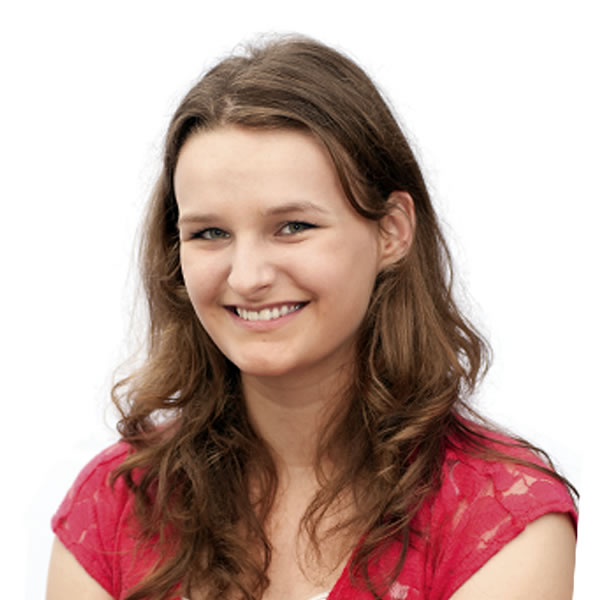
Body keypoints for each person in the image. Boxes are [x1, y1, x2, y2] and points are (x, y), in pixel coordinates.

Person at [46, 36, 577, 600]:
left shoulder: (500, 518)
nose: (247, 276)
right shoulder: (115, 503)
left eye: (293, 227)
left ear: (392, 231)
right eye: (210, 233)